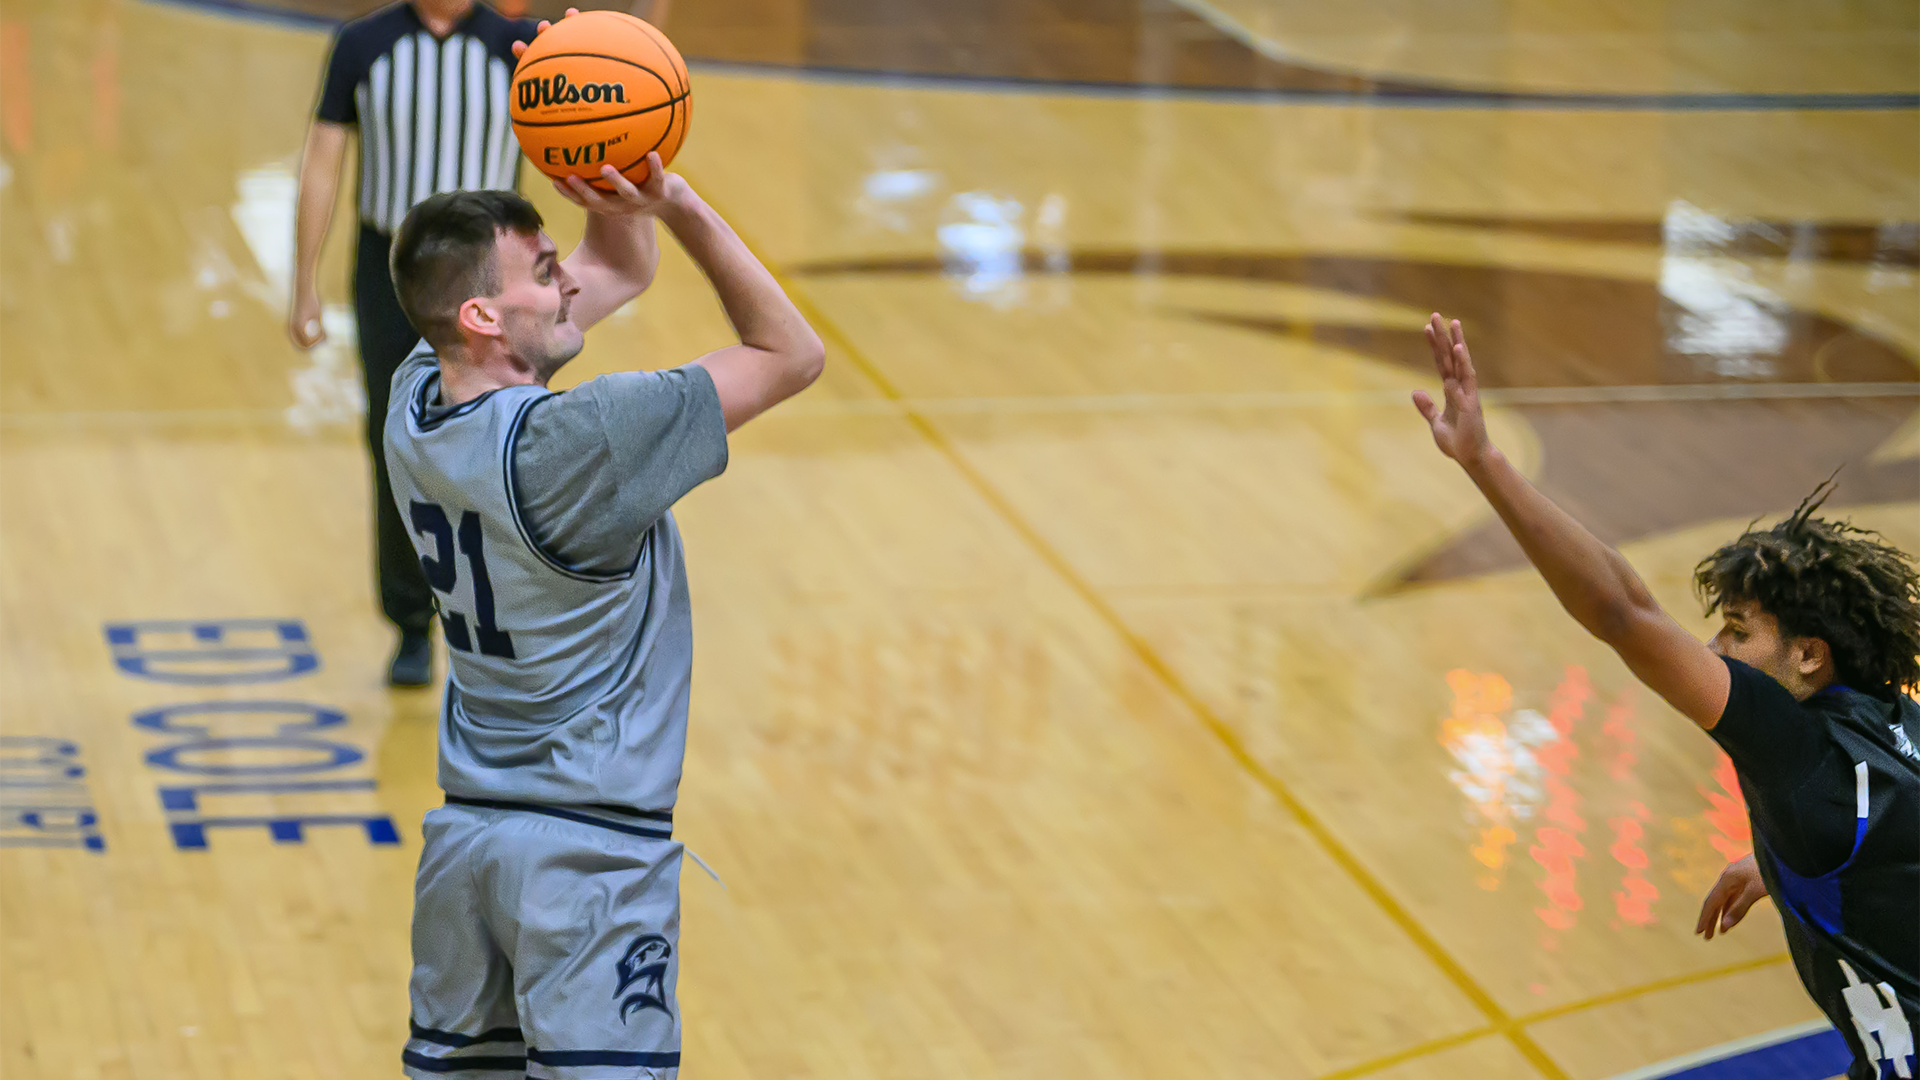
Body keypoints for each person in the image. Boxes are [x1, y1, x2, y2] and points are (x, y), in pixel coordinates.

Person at [381, 103, 821, 1071]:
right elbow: (791, 353)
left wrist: (610, 173)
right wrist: (682, 204)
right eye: (545, 275)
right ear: (484, 315)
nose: (569, 283)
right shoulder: (586, 444)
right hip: (589, 862)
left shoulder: (415, 398)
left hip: (466, 851)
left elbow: (615, 271)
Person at [1412, 314, 1917, 1079]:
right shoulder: (1896, 718)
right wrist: (1789, 862)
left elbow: (1623, 612)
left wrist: (1485, 463)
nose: (1715, 650)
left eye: (1739, 632)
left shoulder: (1798, 756)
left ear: (1810, 657)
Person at [291, 0, 537, 686]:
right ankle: (409, 621)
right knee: (395, 439)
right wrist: (304, 282)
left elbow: (610, 105)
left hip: (493, 276)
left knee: (500, 443)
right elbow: (321, 161)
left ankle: (501, 621)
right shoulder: (362, 45)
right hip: (392, 267)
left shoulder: (518, 48)